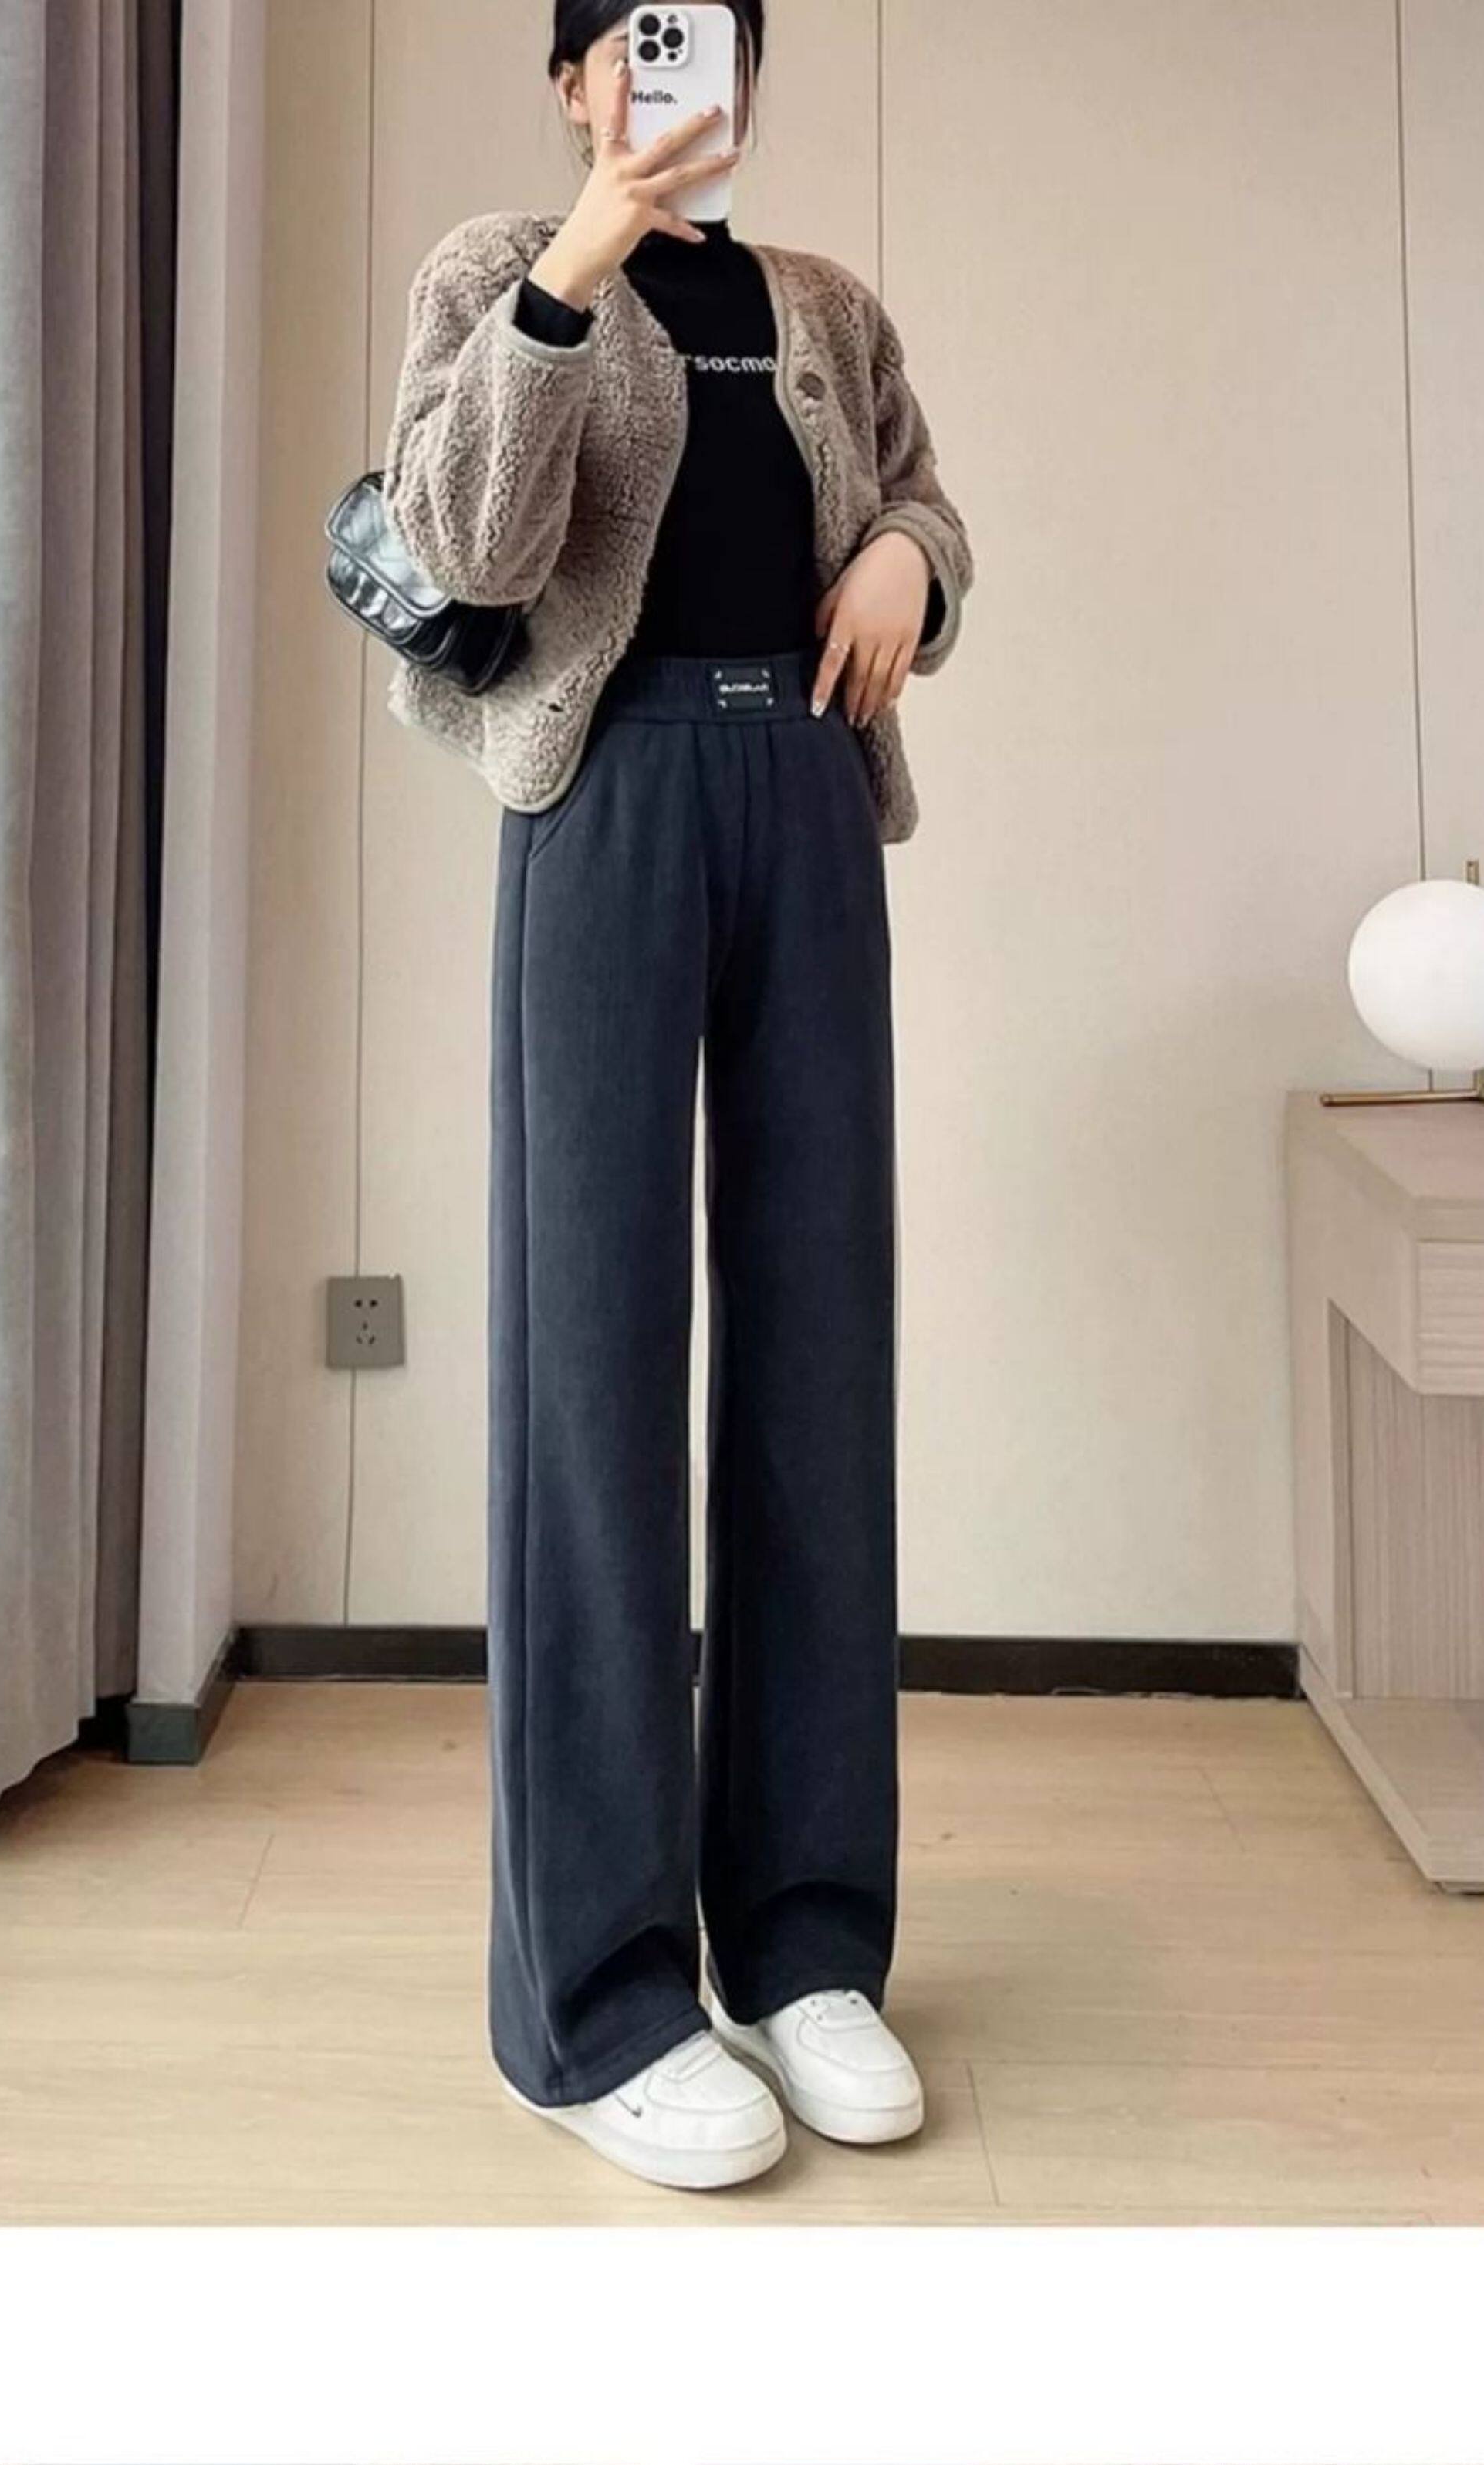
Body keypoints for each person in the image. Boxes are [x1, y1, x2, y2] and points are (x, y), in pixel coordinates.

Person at [381, 0, 973, 2193]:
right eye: (636, 41)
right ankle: (598, 1999)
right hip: (604, 795)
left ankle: (807, 1941)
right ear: (573, 79)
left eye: (712, 38)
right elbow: (465, 541)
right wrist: (580, 259)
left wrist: (915, 559)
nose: (674, 76)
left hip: (806, 798)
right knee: (592, 1374)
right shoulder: (496, 265)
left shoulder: (826, 304)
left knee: (821, 1355)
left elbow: (914, 496)